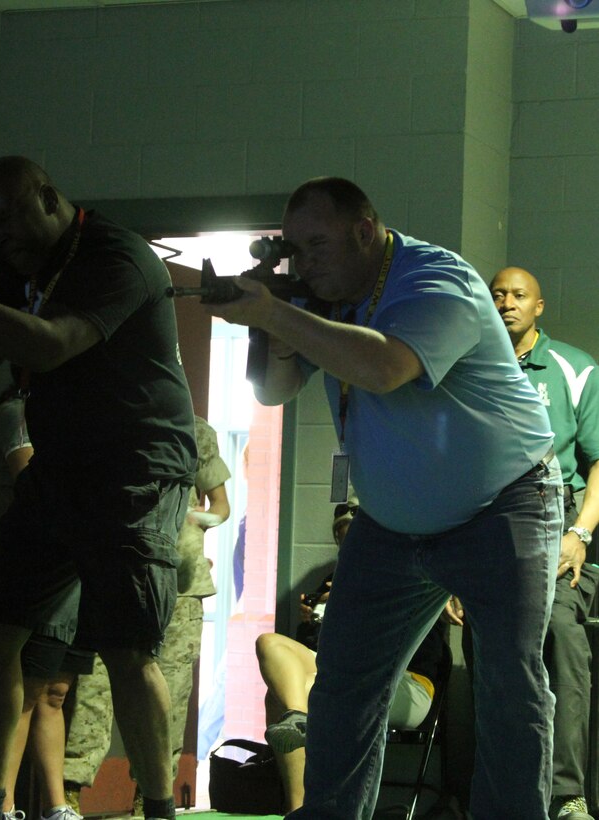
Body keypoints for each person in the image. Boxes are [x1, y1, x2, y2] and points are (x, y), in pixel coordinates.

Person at [205, 176, 562, 819]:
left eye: (317, 246)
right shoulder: (329, 295)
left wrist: (272, 311)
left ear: (364, 232)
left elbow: (384, 367)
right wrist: (273, 330)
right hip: (391, 523)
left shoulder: (436, 280)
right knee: (343, 685)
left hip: (501, 505)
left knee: (510, 685)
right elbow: (272, 390)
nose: (305, 263)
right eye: (295, 250)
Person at [0, 155, 197, 820]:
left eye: (9, 219)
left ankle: (160, 809)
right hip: (61, 464)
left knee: (126, 647)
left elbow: (53, 344)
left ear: (49, 198)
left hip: (137, 465)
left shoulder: (118, 255)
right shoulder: (16, 269)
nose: (1, 238)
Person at [62, 415, 231, 815]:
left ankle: (153, 798)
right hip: (114, 568)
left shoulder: (195, 429)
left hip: (180, 577)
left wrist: (200, 520)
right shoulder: (107, 415)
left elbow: (220, 503)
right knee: (94, 687)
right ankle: (68, 791)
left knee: (170, 692)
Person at [484, 267, 597, 820]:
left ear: (539, 306)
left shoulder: (574, 368)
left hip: (560, 520)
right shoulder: (470, 364)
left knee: (559, 635)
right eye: (498, 294)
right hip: (486, 520)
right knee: (487, 649)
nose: (507, 303)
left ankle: (565, 794)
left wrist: (580, 534)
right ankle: (492, 795)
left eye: (518, 295)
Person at [259, 501, 441, 813]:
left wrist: (352, 610)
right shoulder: (334, 579)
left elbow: (408, 649)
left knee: (308, 688)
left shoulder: (404, 575)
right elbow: (320, 653)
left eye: (353, 538)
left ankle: (303, 805)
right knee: (270, 645)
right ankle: (297, 732)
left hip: (408, 683)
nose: (349, 547)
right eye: (342, 539)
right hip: (337, 673)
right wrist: (313, 622)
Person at [0, 387, 86, 820]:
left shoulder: (92, 406)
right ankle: (3, 804)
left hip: (84, 566)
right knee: (28, 689)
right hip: (40, 564)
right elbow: (31, 479)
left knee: (56, 691)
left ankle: (56, 807)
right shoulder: (19, 409)